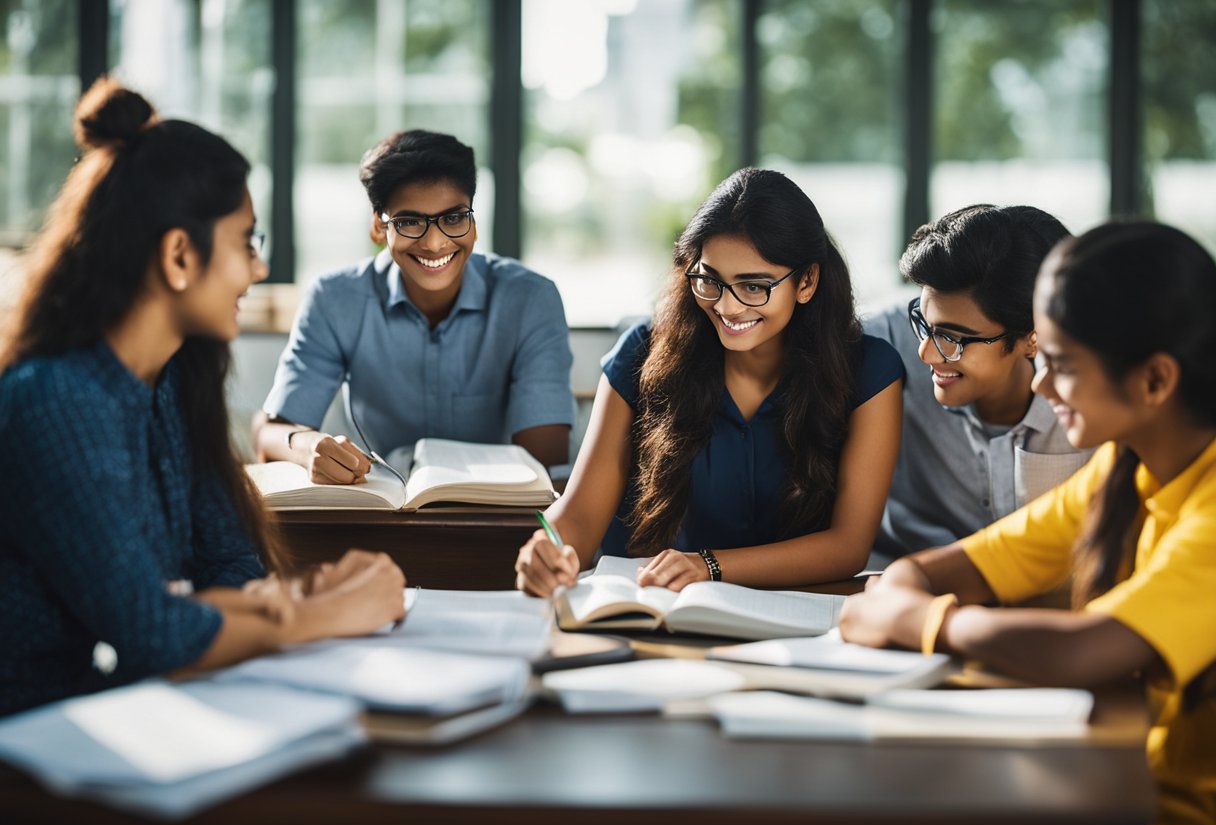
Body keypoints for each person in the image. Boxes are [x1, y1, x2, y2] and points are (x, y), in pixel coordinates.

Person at [0, 79, 406, 717]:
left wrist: (299, 595)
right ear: (180, 256)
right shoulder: (55, 401)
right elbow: (151, 632)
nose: (258, 267)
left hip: (126, 713)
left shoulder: (169, 384)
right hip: (42, 745)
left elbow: (226, 567)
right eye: (247, 240)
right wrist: (322, 614)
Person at [839, 221, 1216, 825]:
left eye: (1062, 364)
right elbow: (965, 563)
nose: (1040, 382)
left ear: (1155, 380)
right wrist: (907, 588)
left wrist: (921, 621)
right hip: (1127, 786)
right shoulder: (1127, 466)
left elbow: (1085, 650)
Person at [514, 168, 904, 596]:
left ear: (807, 281)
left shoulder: (869, 370)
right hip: (652, 608)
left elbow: (848, 547)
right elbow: (580, 516)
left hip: (797, 620)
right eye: (709, 280)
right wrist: (548, 549)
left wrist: (711, 566)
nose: (727, 306)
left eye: (753, 287)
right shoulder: (641, 353)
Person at [253, 129, 574, 484]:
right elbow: (268, 433)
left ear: (473, 221)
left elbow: (545, 465)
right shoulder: (334, 300)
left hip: (494, 516)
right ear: (379, 226)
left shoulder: (530, 300)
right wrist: (307, 446)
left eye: (453, 218)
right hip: (375, 507)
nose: (435, 243)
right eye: (409, 222)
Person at [864, 205, 1092, 567]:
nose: (925, 353)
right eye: (924, 324)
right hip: (892, 580)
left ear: (1032, 338)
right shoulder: (889, 341)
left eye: (953, 339)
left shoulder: (1094, 399)